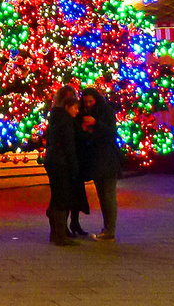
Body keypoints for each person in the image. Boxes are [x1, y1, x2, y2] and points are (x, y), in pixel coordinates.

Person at [79, 87, 121, 241]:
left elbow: (111, 132)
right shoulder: (85, 113)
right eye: (86, 102)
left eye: (91, 101)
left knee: (108, 196)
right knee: (102, 196)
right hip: (96, 160)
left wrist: (95, 123)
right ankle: (107, 228)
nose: (88, 104)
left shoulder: (105, 111)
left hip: (108, 159)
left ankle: (110, 230)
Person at [43, 86, 82, 246]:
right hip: (60, 162)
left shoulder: (56, 117)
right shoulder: (65, 122)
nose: (77, 112)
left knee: (57, 196)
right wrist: (74, 167)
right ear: (67, 107)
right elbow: (69, 147)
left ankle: (56, 233)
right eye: (75, 108)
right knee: (62, 197)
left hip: (53, 160)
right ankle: (60, 235)